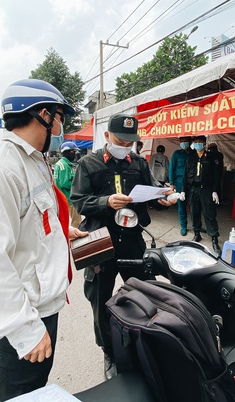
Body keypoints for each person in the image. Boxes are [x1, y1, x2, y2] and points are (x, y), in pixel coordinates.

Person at [0, 79, 87, 401]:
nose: (61, 125)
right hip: (24, 313)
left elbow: (32, 222)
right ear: (43, 114)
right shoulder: (1, 171)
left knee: (36, 390)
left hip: (43, 304)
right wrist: (23, 330)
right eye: (60, 116)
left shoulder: (32, 161)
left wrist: (62, 232)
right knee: (19, 394)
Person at [70, 113, 176, 380]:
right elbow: (80, 201)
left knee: (148, 292)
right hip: (100, 240)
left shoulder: (139, 163)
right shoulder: (88, 164)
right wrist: (106, 202)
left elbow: (151, 191)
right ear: (107, 137)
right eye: (121, 141)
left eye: (130, 143)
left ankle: (147, 339)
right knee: (100, 299)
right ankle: (109, 351)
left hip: (131, 240)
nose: (126, 147)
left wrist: (161, 197)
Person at [183, 135, 222, 256]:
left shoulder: (210, 157)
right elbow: (185, 174)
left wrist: (215, 190)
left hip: (206, 189)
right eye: (195, 142)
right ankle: (197, 234)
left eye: (200, 142)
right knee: (194, 212)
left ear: (205, 143)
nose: (197, 144)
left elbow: (216, 175)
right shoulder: (190, 157)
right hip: (194, 188)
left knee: (209, 213)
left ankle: (214, 238)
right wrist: (183, 190)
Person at [53, 141, 82, 228]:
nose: (75, 155)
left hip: (62, 198)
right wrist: (78, 184)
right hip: (68, 198)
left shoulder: (61, 164)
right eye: (73, 152)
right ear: (66, 152)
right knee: (76, 223)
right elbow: (64, 183)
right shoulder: (64, 165)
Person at [169, 136, 193, 236]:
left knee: (194, 205)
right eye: (181, 141)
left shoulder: (194, 154)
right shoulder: (177, 154)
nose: (183, 143)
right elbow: (171, 168)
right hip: (179, 182)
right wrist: (172, 183)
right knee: (181, 204)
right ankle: (183, 226)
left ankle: (197, 226)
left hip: (192, 182)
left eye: (185, 141)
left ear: (190, 142)